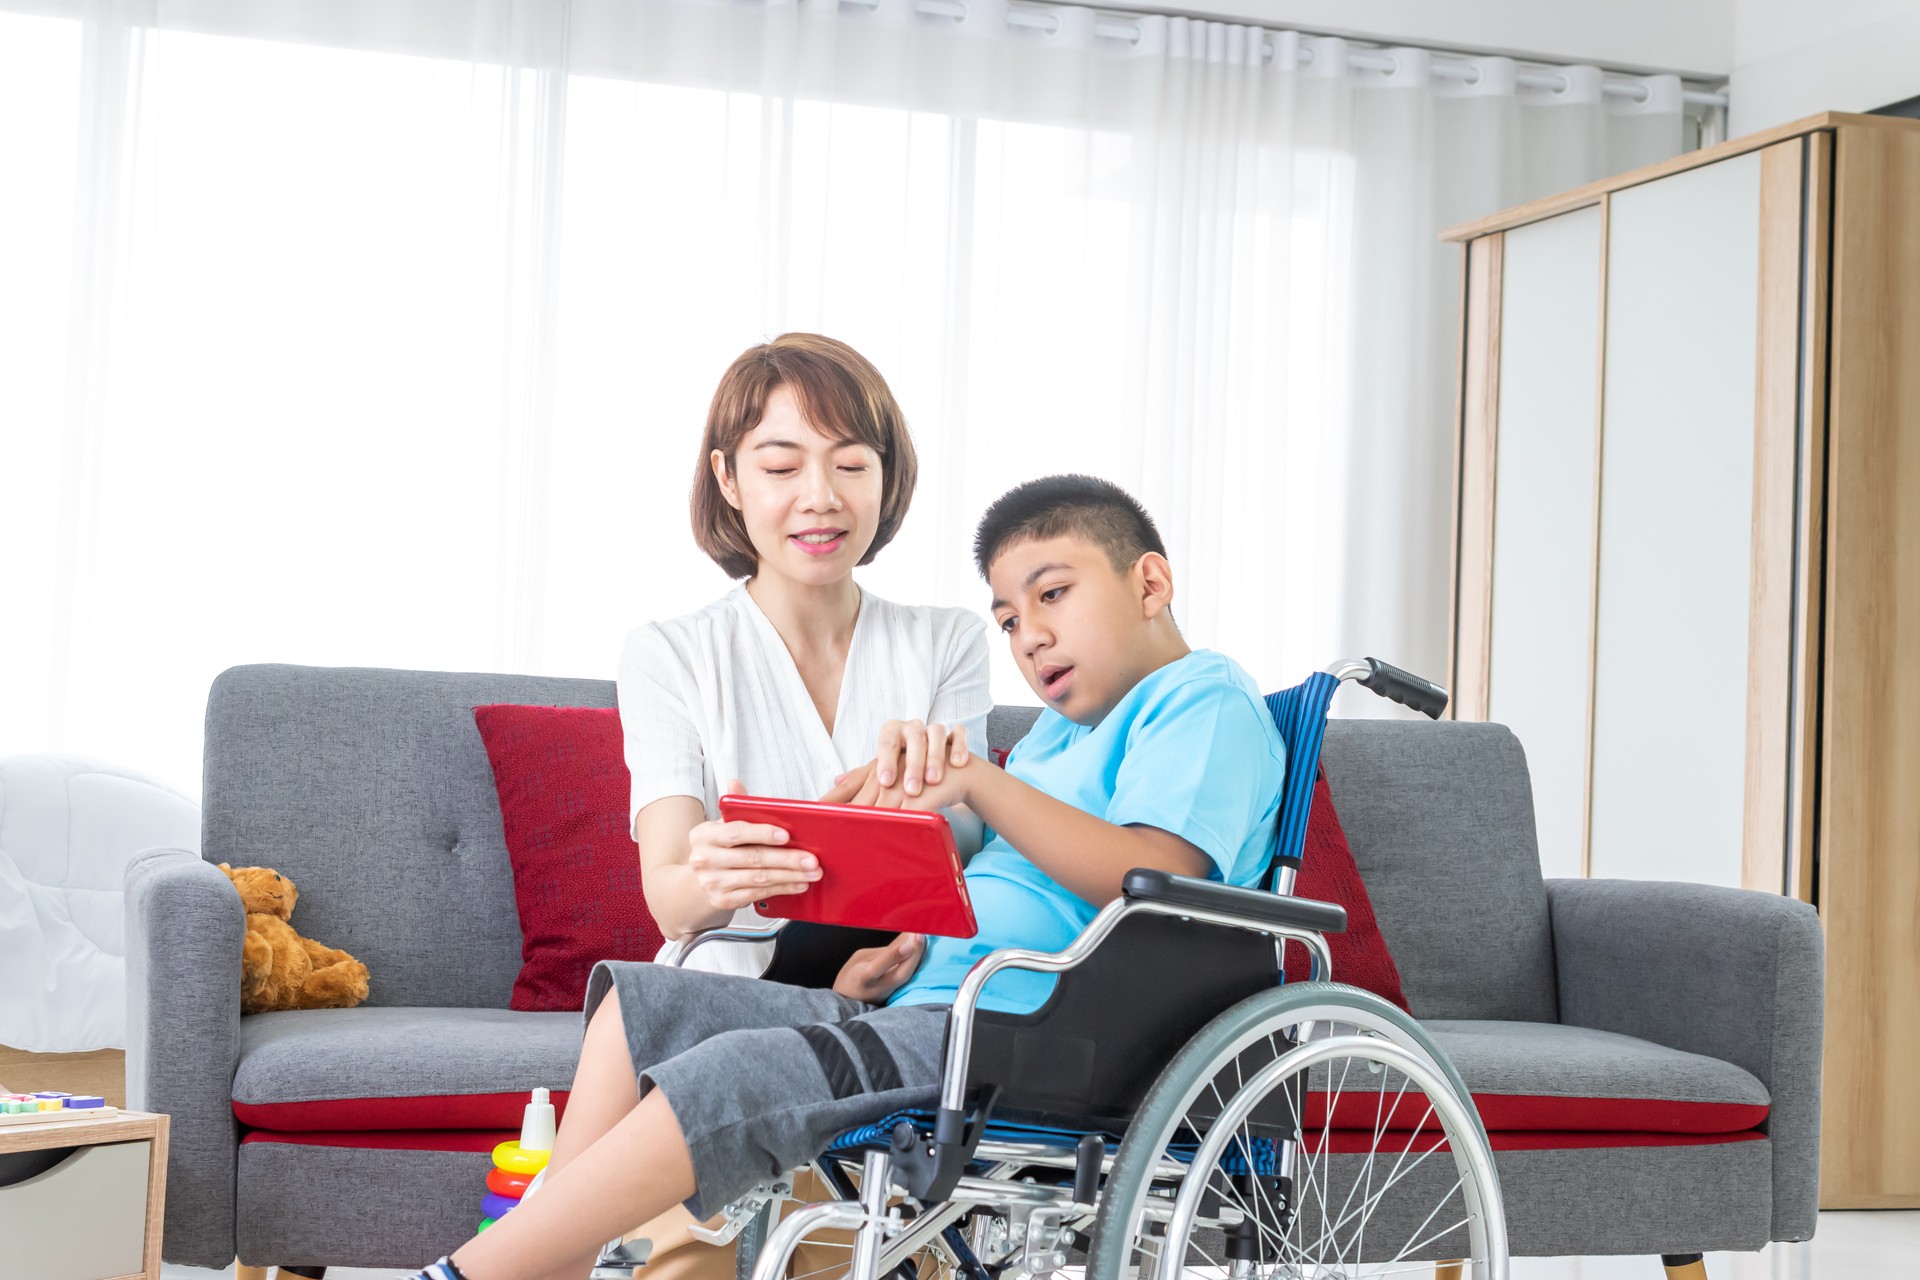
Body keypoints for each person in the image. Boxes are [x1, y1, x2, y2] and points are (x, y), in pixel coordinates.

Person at [400, 475, 1287, 1280]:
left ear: (1150, 584)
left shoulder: (1202, 697)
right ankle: (550, 1267)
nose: (1031, 636)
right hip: (941, 1012)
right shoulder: (1060, 738)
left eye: (1053, 593)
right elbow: (1004, 886)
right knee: (646, 1003)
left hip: (1044, 1033)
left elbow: (1156, 874)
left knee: (745, 1071)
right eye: (1010, 620)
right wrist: (881, 929)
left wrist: (981, 780)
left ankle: (477, 1274)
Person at [614, 333, 991, 1276]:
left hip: (900, 991)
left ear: (885, 478)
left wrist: (937, 806)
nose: (819, 496)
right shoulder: (672, 652)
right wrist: (718, 873)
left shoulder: (945, 642)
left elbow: (975, 844)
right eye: (781, 465)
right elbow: (670, 901)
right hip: (732, 990)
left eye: (851, 464)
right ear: (729, 480)